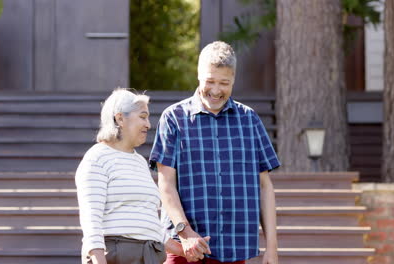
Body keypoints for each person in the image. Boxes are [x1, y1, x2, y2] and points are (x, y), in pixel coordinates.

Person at [150, 41, 280, 264]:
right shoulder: (173, 118)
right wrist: (186, 233)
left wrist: (272, 248)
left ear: (234, 80)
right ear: (199, 76)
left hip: (234, 250)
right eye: (210, 81)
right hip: (185, 251)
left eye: (224, 83)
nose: (216, 90)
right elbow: (166, 184)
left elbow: (264, 186)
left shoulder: (249, 120)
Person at [75, 88, 189, 264]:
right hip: (114, 255)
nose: (148, 124)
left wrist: (184, 250)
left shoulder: (140, 162)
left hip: (149, 256)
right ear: (120, 118)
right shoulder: (97, 158)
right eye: (143, 117)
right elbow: (91, 222)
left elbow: (148, 223)